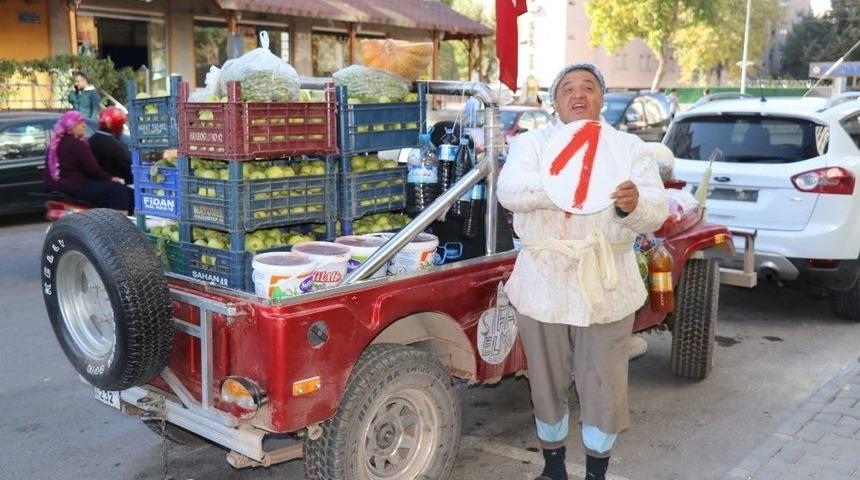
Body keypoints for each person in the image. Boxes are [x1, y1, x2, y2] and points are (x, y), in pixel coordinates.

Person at [497, 63, 668, 480]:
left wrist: (633, 205)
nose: (578, 94)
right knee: (545, 383)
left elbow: (656, 211)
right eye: (567, 88)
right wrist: (563, 184)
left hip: (606, 286)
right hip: (542, 282)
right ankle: (553, 467)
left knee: (603, 386)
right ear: (554, 101)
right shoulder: (532, 144)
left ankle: (596, 472)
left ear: (601, 98)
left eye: (588, 87)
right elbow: (509, 191)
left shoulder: (628, 147)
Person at [44, 110, 134, 213]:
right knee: (117, 189)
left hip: (55, 188)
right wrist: (111, 178)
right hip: (74, 187)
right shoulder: (77, 144)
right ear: (70, 126)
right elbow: (92, 169)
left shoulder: (55, 143)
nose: (84, 126)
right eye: (79, 123)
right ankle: (119, 222)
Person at [89, 107, 133, 185]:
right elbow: (129, 165)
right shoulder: (112, 144)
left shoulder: (92, 139)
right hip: (114, 184)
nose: (123, 127)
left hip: (97, 183)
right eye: (122, 124)